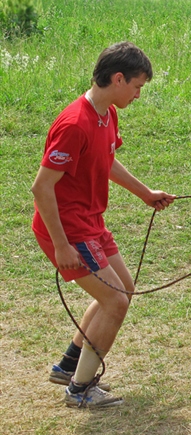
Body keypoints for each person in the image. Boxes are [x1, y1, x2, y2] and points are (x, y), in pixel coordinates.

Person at [34, 41, 174, 408]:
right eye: (137, 86)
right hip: (68, 229)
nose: (139, 94)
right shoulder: (74, 124)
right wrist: (61, 245)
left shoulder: (106, 114)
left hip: (90, 223)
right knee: (114, 301)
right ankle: (80, 390)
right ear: (117, 78)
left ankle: (68, 365)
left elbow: (106, 161)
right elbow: (42, 187)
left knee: (122, 289)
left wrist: (145, 193)